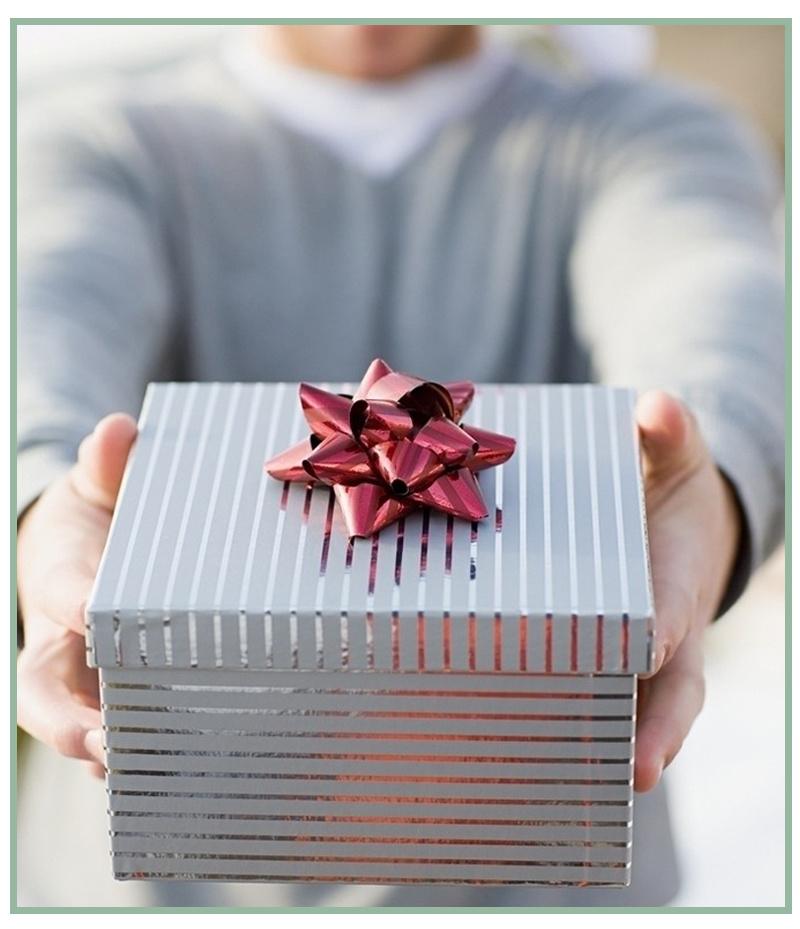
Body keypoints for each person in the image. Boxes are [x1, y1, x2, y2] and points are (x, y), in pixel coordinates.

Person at [16, 25, 784, 907]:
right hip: (156, 895)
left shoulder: (642, 134)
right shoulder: (96, 137)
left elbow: (711, 305)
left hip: (545, 887)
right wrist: (40, 503)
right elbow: (43, 329)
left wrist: (712, 485)